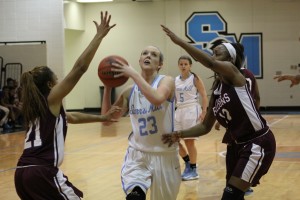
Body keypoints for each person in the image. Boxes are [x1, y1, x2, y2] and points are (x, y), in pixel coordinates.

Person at [161, 25, 276, 200]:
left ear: (230, 59)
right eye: (212, 52)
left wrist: (179, 42)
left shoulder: (235, 73)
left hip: (257, 142)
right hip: (236, 145)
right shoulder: (217, 90)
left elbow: (210, 63)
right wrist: (179, 134)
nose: (213, 56)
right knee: (232, 194)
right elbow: (205, 127)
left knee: (230, 196)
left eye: (217, 53)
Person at [14, 11, 121, 200]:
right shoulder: (51, 99)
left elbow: (71, 117)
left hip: (22, 173)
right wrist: (98, 36)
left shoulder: (36, 106)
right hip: (41, 172)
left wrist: (102, 117)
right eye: (56, 78)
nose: (59, 80)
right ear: (49, 84)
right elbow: (79, 69)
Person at [101, 45, 181, 200]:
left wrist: (133, 74)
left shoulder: (167, 81)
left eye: (154, 54)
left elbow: (157, 98)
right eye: (145, 53)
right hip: (138, 154)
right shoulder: (129, 91)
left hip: (165, 155)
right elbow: (107, 120)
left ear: (160, 64)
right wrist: (107, 88)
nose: (148, 56)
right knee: (135, 196)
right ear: (139, 60)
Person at [174, 55, 208, 181]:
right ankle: (188, 163)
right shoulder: (175, 80)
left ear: (190, 66)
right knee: (173, 140)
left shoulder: (195, 78)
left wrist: (204, 112)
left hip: (191, 109)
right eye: (181, 64)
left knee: (189, 141)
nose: (183, 66)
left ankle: (194, 170)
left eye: (185, 64)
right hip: (179, 110)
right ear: (178, 65)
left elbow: (204, 95)